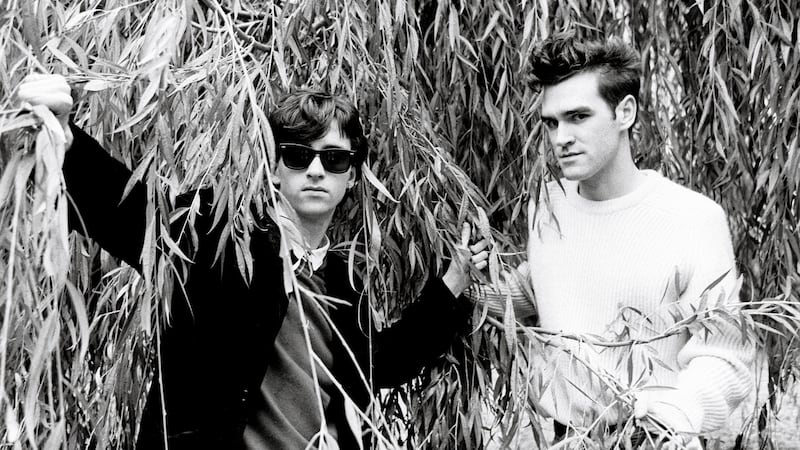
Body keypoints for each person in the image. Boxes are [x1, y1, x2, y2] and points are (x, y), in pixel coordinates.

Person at [16, 74, 490, 449]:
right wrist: (64, 138)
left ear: (353, 178)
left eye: (335, 160)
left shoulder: (343, 281)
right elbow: (129, 215)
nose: (317, 170)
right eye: (299, 155)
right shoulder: (217, 240)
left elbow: (379, 363)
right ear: (274, 167)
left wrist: (450, 284)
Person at [470, 33, 754, 447]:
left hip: (657, 439)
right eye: (551, 122)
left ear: (625, 112)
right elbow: (541, 292)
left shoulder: (694, 220)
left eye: (578, 117)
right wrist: (461, 284)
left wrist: (674, 415)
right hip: (566, 440)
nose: (559, 137)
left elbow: (726, 357)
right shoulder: (548, 207)